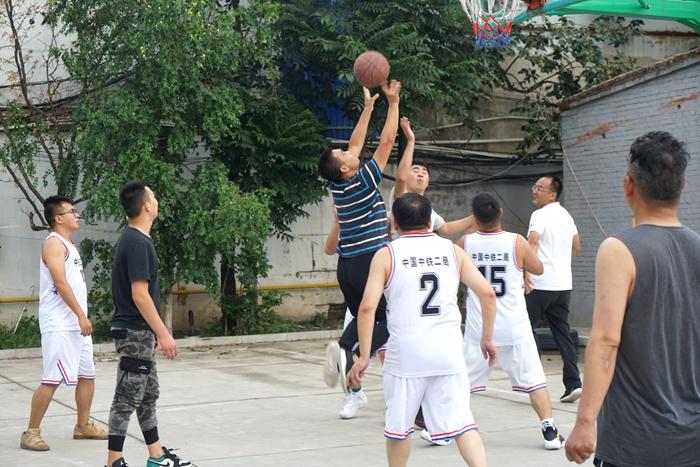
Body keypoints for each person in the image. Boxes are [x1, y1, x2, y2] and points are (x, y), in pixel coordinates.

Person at [566, 132, 700, 466]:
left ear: (629, 186)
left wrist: (585, 422)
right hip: (692, 440)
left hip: (633, 440)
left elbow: (606, 341)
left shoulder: (618, 250)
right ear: (682, 186)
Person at [347, 192, 498, 467]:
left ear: (394, 224)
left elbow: (367, 308)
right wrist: (486, 337)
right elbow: (488, 293)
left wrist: (365, 356)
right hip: (447, 352)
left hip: (406, 355)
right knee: (463, 424)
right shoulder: (453, 251)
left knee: (400, 428)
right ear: (430, 221)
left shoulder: (386, 254)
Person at [454, 192, 565, 450]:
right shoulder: (517, 241)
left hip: (480, 329)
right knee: (534, 380)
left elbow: (455, 274)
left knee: (460, 383)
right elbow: (538, 268)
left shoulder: (465, 242)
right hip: (514, 327)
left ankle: (442, 428)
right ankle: (549, 430)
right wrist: (522, 267)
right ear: (501, 213)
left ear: (475, 218)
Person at [318, 81, 401, 419]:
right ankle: (350, 354)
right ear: (345, 168)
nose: (350, 151)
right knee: (392, 320)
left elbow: (355, 144)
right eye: (344, 154)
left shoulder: (338, 185)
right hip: (369, 261)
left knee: (365, 321)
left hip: (347, 267)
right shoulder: (363, 180)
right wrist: (392, 104)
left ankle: (344, 353)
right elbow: (386, 142)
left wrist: (367, 109)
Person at [106, 181, 191, 467]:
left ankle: (157, 457)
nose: (156, 200)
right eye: (153, 196)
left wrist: (152, 331)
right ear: (146, 205)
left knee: (147, 394)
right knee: (126, 398)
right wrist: (164, 333)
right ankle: (113, 461)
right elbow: (140, 295)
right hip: (133, 331)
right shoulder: (137, 242)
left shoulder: (137, 239)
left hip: (139, 331)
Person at [20, 196, 108, 451]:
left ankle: (83, 425)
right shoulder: (53, 243)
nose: (77, 215)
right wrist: (81, 314)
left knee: (87, 375)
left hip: (76, 325)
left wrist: (80, 317)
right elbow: (60, 282)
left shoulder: (69, 243)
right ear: (58, 218)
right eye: (72, 211)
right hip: (60, 324)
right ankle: (31, 432)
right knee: (52, 378)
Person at [525, 175, 582, 402]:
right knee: (563, 334)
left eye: (540, 188)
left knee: (525, 330)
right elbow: (576, 246)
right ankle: (574, 383)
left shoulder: (539, 215)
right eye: (535, 187)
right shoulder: (566, 215)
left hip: (539, 284)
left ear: (552, 195)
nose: (535, 191)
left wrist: (528, 272)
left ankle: (535, 383)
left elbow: (532, 242)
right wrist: (560, 266)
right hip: (562, 285)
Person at [387, 118, 475, 240]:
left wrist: (474, 217)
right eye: (415, 170)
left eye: (424, 172)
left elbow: (447, 228)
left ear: (428, 182)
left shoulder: (427, 210)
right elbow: (401, 178)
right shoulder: (402, 197)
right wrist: (411, 141)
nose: (421, 174)